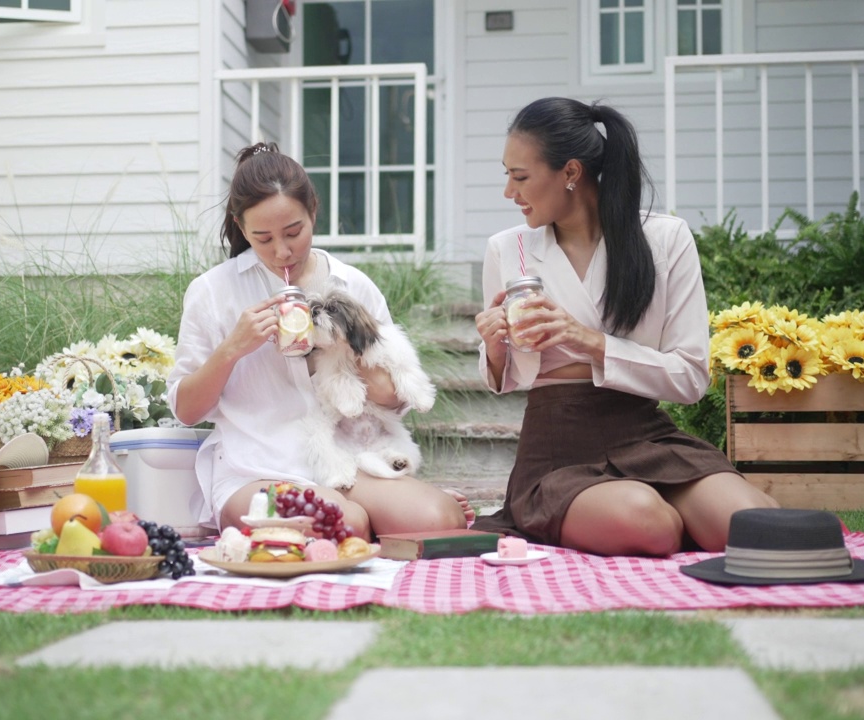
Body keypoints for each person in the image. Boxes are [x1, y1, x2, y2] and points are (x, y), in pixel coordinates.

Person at [470, 98, 778, 556]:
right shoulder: (507, 248)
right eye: (507, 176)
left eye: (520, 177)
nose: (509, 193)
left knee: (756, 526)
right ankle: (649, 516)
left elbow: (691, 377)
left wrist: (588, 341)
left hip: (643, 432)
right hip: (558, 448)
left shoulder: (665, 239)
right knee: (649, 523)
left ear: (571, 172)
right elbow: (507, 375)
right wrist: (495, 349)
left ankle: (684, 511)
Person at [168, 142, 469, 538]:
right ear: (241, 229)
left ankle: (381, 512)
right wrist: (233, 349)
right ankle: (365, 520)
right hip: (256, 466)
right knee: (343, 523)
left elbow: (394, 401)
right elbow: (186, 411)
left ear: (313, 210)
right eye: (262, 238)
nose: (282, 251)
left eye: (294, 232)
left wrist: (342, 345)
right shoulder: (213, 291)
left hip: (350, 461)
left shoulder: (351, 285)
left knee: (441, 520)